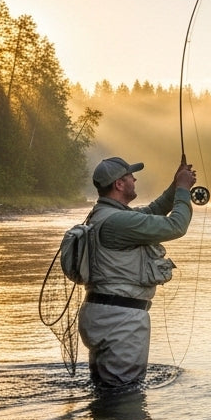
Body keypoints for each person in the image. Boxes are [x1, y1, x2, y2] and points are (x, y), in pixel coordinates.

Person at [78, 155, 196, 391]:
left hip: (104, 313)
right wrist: (183, 190)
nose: (134, 178)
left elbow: (153, 210)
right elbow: (176, 226)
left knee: (107, 391)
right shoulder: (118, 221)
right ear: (119, 185)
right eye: (130, 176)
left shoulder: (104, 215)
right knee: (123, 396)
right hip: (120, 321)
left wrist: (175, 186)